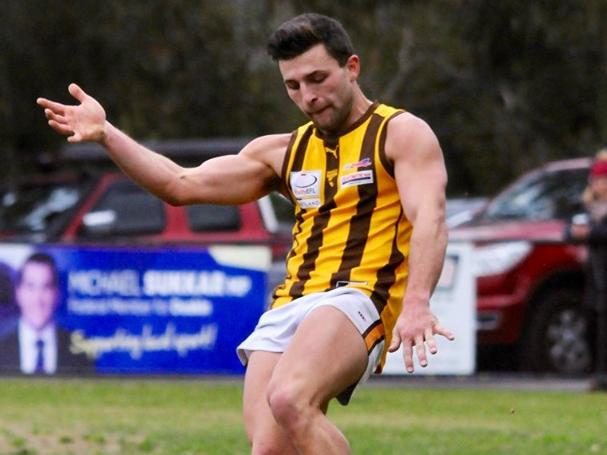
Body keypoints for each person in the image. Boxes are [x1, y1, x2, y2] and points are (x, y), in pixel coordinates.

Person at [37, 13, 454, 454]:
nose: (308, 96)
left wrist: (417, 303)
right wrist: (106, 135)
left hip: (358, 296)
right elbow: (180, 184)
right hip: (291, 301)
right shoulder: (282, 152)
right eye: (293, 86)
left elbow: (430, 216)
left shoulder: (399, 133)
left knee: (290, 398)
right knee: (268, 448)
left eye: (317, 78)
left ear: (352, 67)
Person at [0, 252, 92, 375]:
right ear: (18, 292)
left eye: (46, 287)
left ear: (57, 294)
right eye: (30, 287)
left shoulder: (80, 347)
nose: (38, 299)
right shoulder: (2, 343)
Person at [566, 149, 607, 390]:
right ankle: (597, 373)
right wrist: (574, 233)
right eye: (598, 181)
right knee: (591, 322)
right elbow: (568, 230)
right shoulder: (588, 208)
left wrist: (589, 234)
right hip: (594, 275)